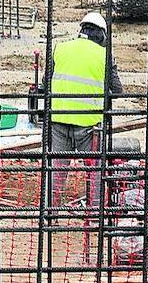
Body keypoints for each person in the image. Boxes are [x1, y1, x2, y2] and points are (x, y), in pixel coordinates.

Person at [44, 12, 124, 215]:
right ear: (102, 35)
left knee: (56, 172)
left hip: (58, 121)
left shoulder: (60, 48)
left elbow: (46, 83)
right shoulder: (104, 56)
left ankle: (50, 215)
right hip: (90, 126)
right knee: (95, 173)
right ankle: (94, 214)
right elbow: (117, 90)